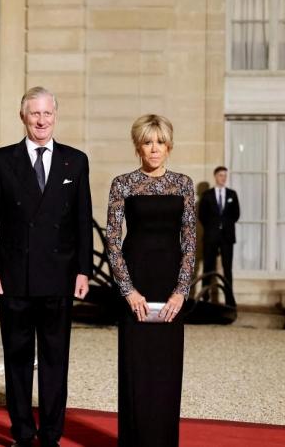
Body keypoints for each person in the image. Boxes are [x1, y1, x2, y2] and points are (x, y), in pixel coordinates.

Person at [0, 86, 93, 447]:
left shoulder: (75, 161)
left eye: (47, 113)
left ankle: (50, 435)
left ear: (55, 116)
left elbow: (82, 219)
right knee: (16, 360)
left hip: (60, 277)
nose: (41, 120)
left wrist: (83, 270)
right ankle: (22, 433)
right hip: (13, 277)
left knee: (54, 360)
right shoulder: (0, 160)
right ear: (23, 117)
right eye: (35, 114)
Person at [106, 114, 196, 447]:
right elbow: (113, 241)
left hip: (170, 287)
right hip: (135, 285)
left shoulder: (184, 184)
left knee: (166, 373)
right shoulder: (123, 184)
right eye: (147, 142)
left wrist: (181, 293)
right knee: (136, 371)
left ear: (169, 145)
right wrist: (128, 291)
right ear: (138, 146)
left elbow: (189, 243)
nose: (154, 149)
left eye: (159, 142)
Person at [198, 166, 240, 290]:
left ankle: (229, 300)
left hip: (227, 237)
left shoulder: (232, 194)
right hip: (211, 237)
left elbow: (236, 214)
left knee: (227, 268)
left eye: (225, 176)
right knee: (208, 267)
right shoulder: (207, 195)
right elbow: (202, 216)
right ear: (215, 176)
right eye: (221, 175)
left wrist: (225, 225)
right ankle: (205, 297)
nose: (223, 178)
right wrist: (213, 228)